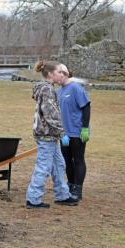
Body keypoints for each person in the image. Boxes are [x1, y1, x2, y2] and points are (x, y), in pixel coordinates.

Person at [26, 60, 78, 209]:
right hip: (46, 135)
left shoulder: (46, 88)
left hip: (50, 135)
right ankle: (33, 199)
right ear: (50, 74)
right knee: (43, 167)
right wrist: (62, 133)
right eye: (58, 72)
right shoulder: (47, 90)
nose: (61, 74)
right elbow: (50, 114)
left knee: (59, 165)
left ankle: (62, 195)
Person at [57, 64, 91, 200]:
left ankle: (78, 189)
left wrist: (85, 128)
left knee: (78, 159)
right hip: (65, 134)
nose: (55, 77)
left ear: (64, 73)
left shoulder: (76, 88)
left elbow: (86, 107)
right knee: (66, 161)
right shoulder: (59, 91)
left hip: (77, 132)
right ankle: (70, 185)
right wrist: (61, 131)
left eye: (57, 74)